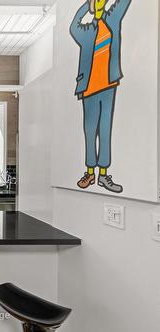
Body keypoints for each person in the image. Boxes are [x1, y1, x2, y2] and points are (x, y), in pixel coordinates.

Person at [70, 0, 131, 193]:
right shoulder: (86, 33)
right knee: (90, 132)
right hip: (89, 90)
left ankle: (103, 175)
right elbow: (73, 26)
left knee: (105, 130)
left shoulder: (112, 20)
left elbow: (123, 4)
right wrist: (85, 6)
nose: (98, 4)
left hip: (108, 86)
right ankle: (90, 172)